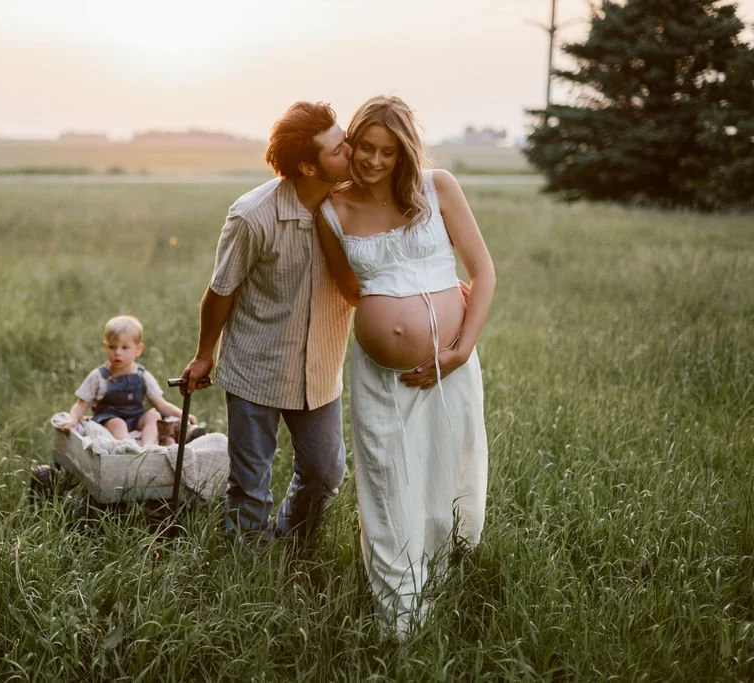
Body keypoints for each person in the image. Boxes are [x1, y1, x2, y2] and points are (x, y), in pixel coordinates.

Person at [315, 95, 495, 632]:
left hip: (451, 370)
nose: (372, 161)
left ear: (405, 153)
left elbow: (484, 272)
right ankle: (402, 622)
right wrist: (395, 317)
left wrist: (458, 348)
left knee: (442, 486)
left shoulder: (439, 189)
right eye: (365, 147)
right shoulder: (332, 208)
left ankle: (437, 581)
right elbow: (349, 287)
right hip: (381, 380)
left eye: (387, 152)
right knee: (389, 485)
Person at [178, 101, 354, 542]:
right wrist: (204, 355)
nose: (350, 152)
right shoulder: (252, 216)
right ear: (308, 167)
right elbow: (221, 291)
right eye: (338, 149)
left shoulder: (352, 206)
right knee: (249, 487)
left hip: (320, 373)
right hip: (255, 369)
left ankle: (290, 539)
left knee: (327, 474)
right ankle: (248, 567)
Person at [64, 315, 195, 445]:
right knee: (118, 423)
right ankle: (128, 447)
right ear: (105, 346)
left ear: (138, 350)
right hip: (109, 418)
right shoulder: (99, 376)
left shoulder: (142, 375)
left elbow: (161, 404)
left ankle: (149, 447)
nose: (118, 353)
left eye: (125, 348)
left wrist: (182, 415)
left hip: (136, 417)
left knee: (154, 415)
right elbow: (81, 405)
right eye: (112, 347)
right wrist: (73, 420)